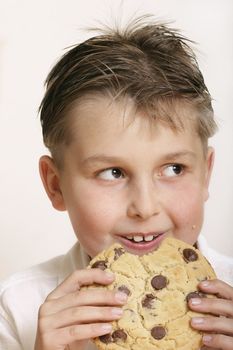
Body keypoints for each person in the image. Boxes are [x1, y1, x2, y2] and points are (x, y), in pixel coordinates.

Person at [1, 15, 233, 350]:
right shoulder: (16, 309)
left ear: (206, 174)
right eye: (113, 173)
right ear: (56, 185)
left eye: (173, 169)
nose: (145, 207)